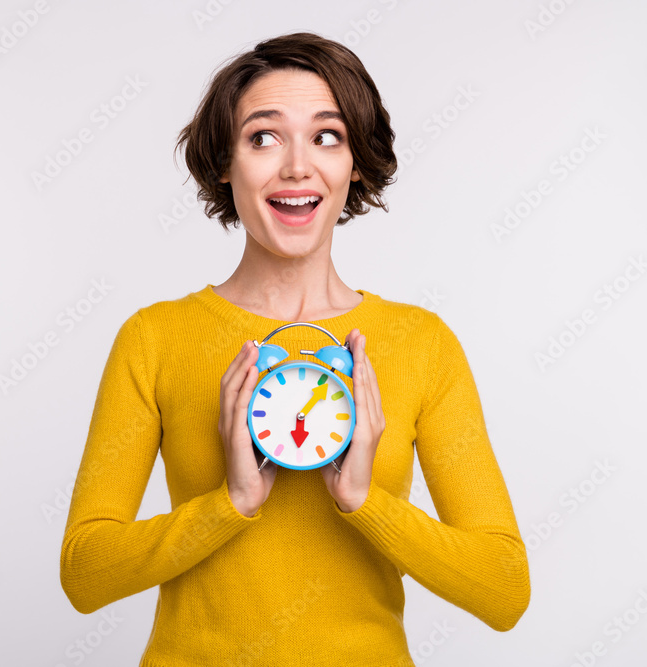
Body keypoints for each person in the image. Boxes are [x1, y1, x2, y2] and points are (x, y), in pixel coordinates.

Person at [60, 32, 529, 666]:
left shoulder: (424, 344)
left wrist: (366, 503)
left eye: (327, 136)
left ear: (355, 162)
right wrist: (230, 505)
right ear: (225, 162)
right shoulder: (155, 338)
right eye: (263, 137)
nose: (296, 167)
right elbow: (85, 576)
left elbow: (504, 591)